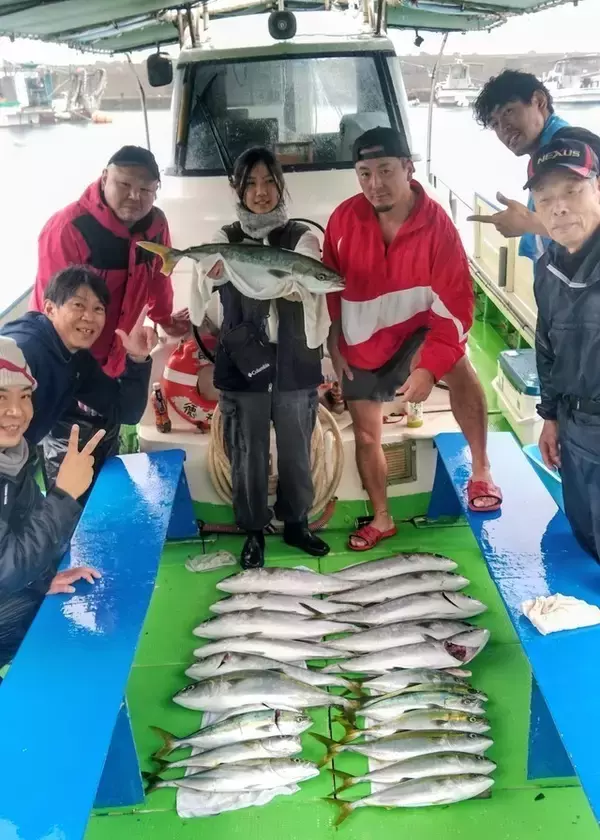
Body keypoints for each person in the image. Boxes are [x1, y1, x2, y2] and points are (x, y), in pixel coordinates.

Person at [324, 127, 501, 552]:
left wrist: (429, 367)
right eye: (364, 173)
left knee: (460, 370)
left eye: (385, 170)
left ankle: (481, 469)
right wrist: (333, 339)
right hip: (362, 336)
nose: (375, 184)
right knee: (367, 433)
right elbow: (329, 284)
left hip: (418, 330)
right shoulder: (343, 220)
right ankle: (382, 518)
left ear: (408, 168)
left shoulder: (438, 227)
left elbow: (457, 307)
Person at [200, 146, 330, 569]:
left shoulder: (301, 238)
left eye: (269, 182)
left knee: (296, 448)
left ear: (281, 186)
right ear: (237, 189)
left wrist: (303, 285)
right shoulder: (224, 239)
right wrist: (209, 275)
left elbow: (314, 274)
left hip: (294, 360)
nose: (261, 192)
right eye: (251, 183)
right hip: (243, 362)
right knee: (247, 449)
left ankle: (297, 522)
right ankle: (253, 529)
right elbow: (203, 288)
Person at [30, 145, 189, 481]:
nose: (135, 196)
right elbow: (52, 315)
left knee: (106, 456)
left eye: (146, 189)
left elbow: (160, 278)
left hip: (117, 363)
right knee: (71, 475)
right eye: (125, 184)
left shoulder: (156, 226)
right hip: (67, 370)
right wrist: (65, 376)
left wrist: (164, 319)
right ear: (105, 178)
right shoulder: (68, 228)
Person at [0, 336, 104, 669]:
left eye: (24, 396)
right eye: (0, 398)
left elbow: (25, 527)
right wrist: (64, 494)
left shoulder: (13, 456)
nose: (15, 411)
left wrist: (44, 581)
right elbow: (3, 570)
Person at [1, 266, 157, 489]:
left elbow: (125, 410)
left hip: (18, 459)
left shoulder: (76, 358)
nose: (89, 317)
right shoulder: (25, 349)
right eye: (78, 305)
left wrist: (137, 359)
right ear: (49, 308)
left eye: (98, 309)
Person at [527, 137, 600, 560]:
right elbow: (546, 346)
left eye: (572, 191)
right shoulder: (548, 267)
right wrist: (550, 417)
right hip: (574, 427)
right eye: (545, 197)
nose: (559, 207)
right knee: (585, 533)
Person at [470, 69, 600, 261]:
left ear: (539, 101)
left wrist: (528, 223)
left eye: (508, 111)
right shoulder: (545, 155)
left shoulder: (576, 148)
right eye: (495, 123)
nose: (504, 127)